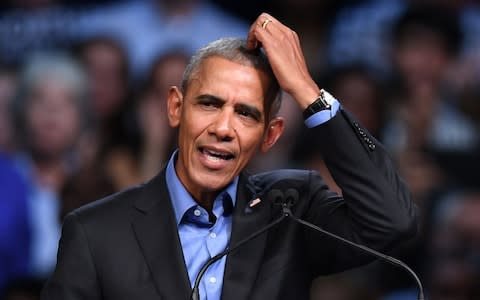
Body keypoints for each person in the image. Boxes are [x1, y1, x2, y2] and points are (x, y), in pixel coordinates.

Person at [41, 13, 417, 300]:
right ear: (175, 107)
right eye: (209, 103)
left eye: (246, 113)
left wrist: (306, 91)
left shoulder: (290, 210)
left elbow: (392, 222)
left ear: (270, 135)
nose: (223, 127)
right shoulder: (96, 232)